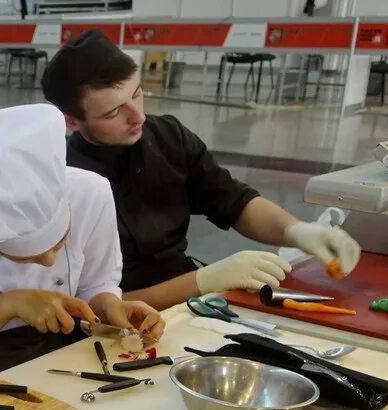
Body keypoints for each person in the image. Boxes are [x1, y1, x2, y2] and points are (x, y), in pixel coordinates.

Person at [41, 30, 362, 309]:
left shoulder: (166, 137)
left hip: (191, 301)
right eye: (114, 112)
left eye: (137, 94)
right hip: (121, 320)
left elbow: (233, 201)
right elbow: (91, 306)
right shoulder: (63, 184)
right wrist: (202, 281)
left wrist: (298, 232)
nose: (137, 116)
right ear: (72, 121)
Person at [0, 104, 163, 392]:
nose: (49, 262)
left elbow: (96, 284)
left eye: (59, 243)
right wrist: (8, 305)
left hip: (52, 360)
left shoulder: (90, 194)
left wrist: (110, 307)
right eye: (28, 256)